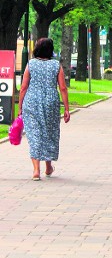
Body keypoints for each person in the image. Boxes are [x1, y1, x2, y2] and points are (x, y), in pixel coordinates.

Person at [18, 38, 71, 181]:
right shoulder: (56, 65)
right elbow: (63, 88)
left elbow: (23, 87)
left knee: (34, 133)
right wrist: (66, 108)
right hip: (51, 103)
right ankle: (48, 166)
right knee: (50, 132)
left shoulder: (31, 64)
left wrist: (20, 107)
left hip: (32, 102)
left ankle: (36, 170)